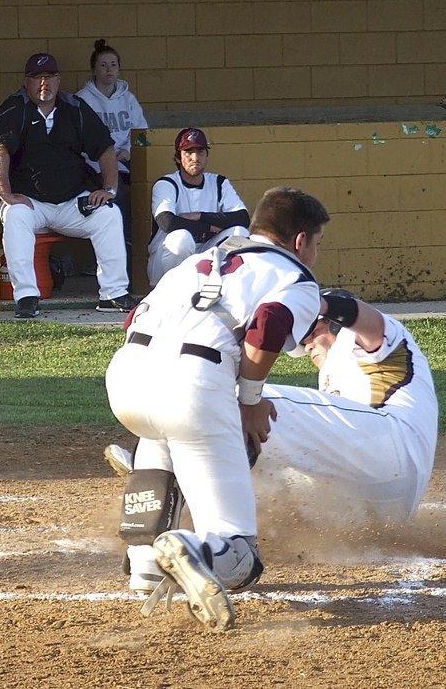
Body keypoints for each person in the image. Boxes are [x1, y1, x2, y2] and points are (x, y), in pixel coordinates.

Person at [104, 187, 329, 630]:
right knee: (240, 557)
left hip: (125, 375)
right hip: (193, 384)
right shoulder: (295, 277)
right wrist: (250, 401)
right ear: (300, 240)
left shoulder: (200, 260)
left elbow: (133, 318)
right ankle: (196, 551)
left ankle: (145, 563)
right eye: (318, 242)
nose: (316, 252)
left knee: (161, 433)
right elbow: (266, 330)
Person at [105, 289, 439, 529]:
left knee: (255, 405)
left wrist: (317, 302)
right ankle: (191, 507)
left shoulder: (375, 339)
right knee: (269, 466)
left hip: (390, 444)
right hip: (373, 507)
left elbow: (367, 321)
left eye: (311, 333)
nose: (305, 345)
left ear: (331, 322)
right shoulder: (335, 381)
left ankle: (165, 463)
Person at [0, 52, 135, 319]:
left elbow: (105, 149)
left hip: (72, 201)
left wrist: (109, 189)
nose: (44, 83)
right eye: (37, 77)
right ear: (26, 81)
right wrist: (5, 193)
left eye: (49, 76)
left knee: (108, 215)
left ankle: (113, 293)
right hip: (32, 203)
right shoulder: (14, 108)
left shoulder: (73, 107)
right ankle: (26, 297)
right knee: (15, 215)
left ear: (58, 79)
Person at [146, 127, 251, 286]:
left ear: (206, 155)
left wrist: (200, 216)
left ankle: (226, 289)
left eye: (200, 152)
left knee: (240, 233)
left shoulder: (219, 183)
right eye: (188, 152)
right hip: (165, 261)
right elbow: (168, 222)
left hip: (205, 253)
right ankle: (173, 292)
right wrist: (209, 226)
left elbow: (242, 218)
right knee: (181, 238)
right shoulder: (166, 184)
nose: (195, 158)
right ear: (178, 157)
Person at [76, 39, 148, 267]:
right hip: (93, 166)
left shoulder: (129, 99)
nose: (109, 70)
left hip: (125, 163)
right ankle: (119, 254)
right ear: (94, 70)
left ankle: (142, 251)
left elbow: (143, 134)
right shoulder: (82, 99)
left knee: (147, 191)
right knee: (118, 196)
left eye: (113, 65)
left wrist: (128, 150)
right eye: (104, 65)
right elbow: (76, 140)